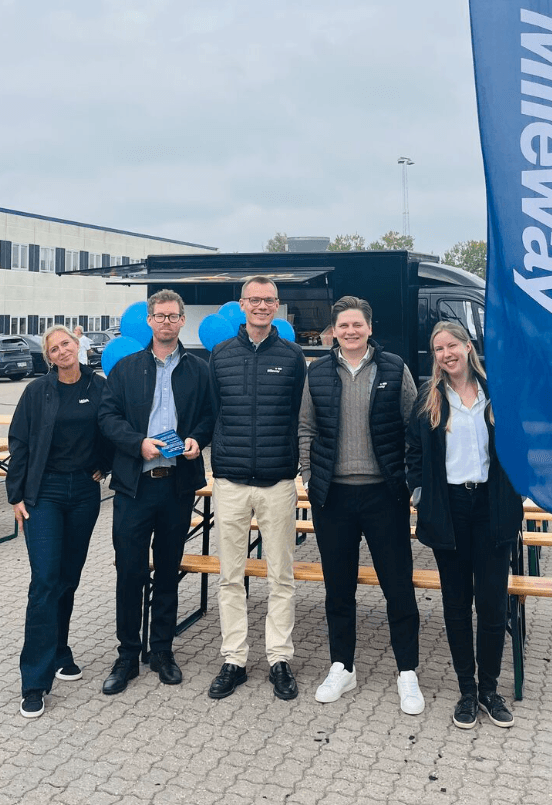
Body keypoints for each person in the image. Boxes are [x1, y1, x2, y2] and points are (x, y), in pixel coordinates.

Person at [299, 296, 423, 714]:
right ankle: (342, 666)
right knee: (339, 588)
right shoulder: (317, 372)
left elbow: (414, 425)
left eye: (358, 325)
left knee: (398, 587)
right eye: (343, 326)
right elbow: (305, 427)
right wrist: (308, 474)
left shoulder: (394, 368)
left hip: (383, 495)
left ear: (370, 328)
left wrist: (406, 478)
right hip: (333, 496)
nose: (350, 332)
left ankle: (408, 671)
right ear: (332, 331)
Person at [406, 321, 523, 729]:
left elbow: (520, 442)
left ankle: (490, 689)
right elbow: (413, 451)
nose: (445, 353)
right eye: (438, 348)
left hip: (491, 506)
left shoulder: (497, 391)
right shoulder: (429, 397)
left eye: (451, 345)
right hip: (450, 508)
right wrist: (419, 490)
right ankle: (467, 690)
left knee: (492, 604)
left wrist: (520, 487)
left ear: (467, 346)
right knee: (456, 605)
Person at [97, 289, 213, 695]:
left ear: (183, 321)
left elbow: (209, 417)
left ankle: (161, 650)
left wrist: (198, 438)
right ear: (149, 321)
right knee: (129, 573)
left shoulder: (199, 369)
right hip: (134, 487)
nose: (166, 322)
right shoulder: (127, 368)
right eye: (159, 316)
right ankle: (128, 653)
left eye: (173, 316)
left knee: (167, 573)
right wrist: (136, 443)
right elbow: (106, 416)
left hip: (177, 487)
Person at [208, 276, 306, 700]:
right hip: (229, 481)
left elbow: (301, 417)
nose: (261, 306)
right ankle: (234, 659)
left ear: (277, 306)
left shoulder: (292, 356)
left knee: (280, 575)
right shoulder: (221, 355)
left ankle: (279, 659)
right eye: (254, 300)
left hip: (278, 482)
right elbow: (212, 411)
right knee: (231, 576)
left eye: (268, 300)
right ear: (242, 305)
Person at [7, 325, 112, 719]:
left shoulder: (100, 387)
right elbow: (19, 441)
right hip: (44, 494)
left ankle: (60, 649)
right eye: (54, 348)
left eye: (66, 343)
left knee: (68, 578)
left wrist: (104, 466)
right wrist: (16, 495)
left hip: (84, 494)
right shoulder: (38, 391)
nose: (62, 351)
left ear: (77, 346)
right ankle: (34, 681)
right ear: (48, 357)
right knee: (45, 581)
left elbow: (113, 430)